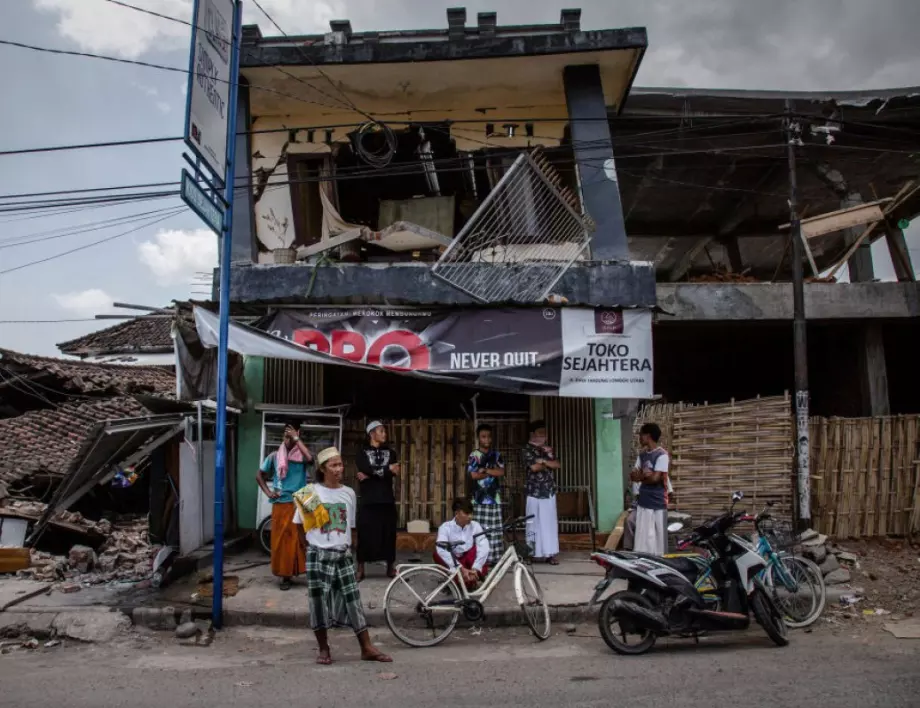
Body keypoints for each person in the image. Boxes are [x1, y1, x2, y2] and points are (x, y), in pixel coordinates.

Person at [294, 447, 392, 665]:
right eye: (334, 465)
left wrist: (354, 551)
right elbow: (299, 525)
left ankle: (366, 647)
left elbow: (352, 527)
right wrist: (308, 548)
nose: (340, 469)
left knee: (353, 600)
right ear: (322, 469)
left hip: (343, 554)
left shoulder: (348, 493)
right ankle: (323, 649)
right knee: (318, 603)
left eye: (340, 464)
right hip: (318, 555)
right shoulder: (309, 492)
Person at [255, 423, 312, 590]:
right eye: (286, 436)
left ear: (297, 434)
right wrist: (268, 492)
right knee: (282, 542)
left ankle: (303, 571)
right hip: (281, 503)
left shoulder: (302, 455)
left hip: (301, 501)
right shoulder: (274, 456)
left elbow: (311, 459)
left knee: (302, 540)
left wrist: (296, 438)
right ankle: (285, 576)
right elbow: (259, 475)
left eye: (291, 436)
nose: (288, 440)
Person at [355, 420, 400, 581]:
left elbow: (394, 471)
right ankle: (360, 568)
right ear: (372, 434)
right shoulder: (361, 452)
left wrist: (370, 475)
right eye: (381, 431)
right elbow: (364, 468)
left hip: (386, 499)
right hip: (368, 499)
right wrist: (386, 470)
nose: (384, 434)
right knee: (365, 533)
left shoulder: (391, 453)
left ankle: (390, 567)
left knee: (388, 533)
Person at [521, 420, 561, 565]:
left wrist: (543, 461)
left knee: (549, 524)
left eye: (545, 433)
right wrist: (546, 463)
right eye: (540, 433)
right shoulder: (526, 449)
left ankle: (550, 554)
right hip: (534, 492)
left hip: (548, 491)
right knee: (533, 524)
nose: (543, 435)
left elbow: (557, 464)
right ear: (533, 434)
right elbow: (533, 468)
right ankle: (531, 554)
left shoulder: (548, 449)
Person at [467, 423, 505, 567]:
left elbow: (501, 472)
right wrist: (490, 471)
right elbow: (474, 475)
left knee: (494, 530)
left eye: (489, 436)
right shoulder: (474, 455)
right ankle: (480, 559)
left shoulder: (497, 455)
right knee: (480, 530)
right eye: (483, 437)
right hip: (478, 499)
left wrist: (486, 471)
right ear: (478, 438)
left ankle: (494, 559)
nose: (487, 439)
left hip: (494, 498)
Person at [630, 423, 670, 555]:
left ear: (648, 436)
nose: (639, 438)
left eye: (641, 435)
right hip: (644, 501)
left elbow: (655, 479)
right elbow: (632, 475)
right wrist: (644, 476)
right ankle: (642, 561)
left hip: (658, 502)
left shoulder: (662, 455)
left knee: (658, 537)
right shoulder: (642, 456)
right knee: (643, 536)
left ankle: (659, 561)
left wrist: (640, 477)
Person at [433, 498, 490, 588]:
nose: (470, 517)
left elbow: (483, 545)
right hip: (455, 562)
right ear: (456, 513)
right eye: (467, 514)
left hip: (470, 562)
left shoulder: (475, 525)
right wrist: (461, 568)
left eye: (471, 513)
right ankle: (466, 579)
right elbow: (442, 550)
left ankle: (473, 576)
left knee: (479, 547)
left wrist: (475, 568)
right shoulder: (445, 527)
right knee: (438, 553)